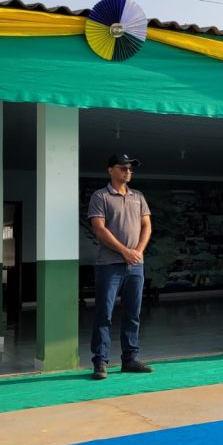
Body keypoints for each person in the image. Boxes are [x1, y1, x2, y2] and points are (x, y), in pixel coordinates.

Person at [88, 153, 153, 380]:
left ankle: (130, 359)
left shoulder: (138, 196)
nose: (128, 172)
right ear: (110, 170)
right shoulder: (100, 196)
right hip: (109, 265)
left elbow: (147, 226)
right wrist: (125, 251)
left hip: (136, 265)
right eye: (123, 168)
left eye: (130, 169)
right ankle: (100, 362)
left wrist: (138, 252)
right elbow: (99, 229)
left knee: (132, 313)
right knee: (104, 314)